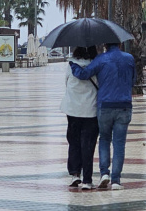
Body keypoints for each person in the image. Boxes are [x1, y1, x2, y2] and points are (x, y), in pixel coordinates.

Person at [69, 42, 135, 190]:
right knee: (119, 144)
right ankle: (116, 180)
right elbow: (133, 81)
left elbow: (84, 74)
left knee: (104, 139)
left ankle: (104, 173)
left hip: (105, 106)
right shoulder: (129, 58)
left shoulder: (101, 59)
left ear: (105, 44)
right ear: (120, 43)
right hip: (124, 106)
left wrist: (73, 65)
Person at [60, 46, 99, 190]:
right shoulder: (96, 66)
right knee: (87, 145)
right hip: (90, 110)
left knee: (74, 142)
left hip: (72, 110)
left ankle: (75, 174)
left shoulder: (70, 66)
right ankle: (87, 180)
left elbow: (66, 84)